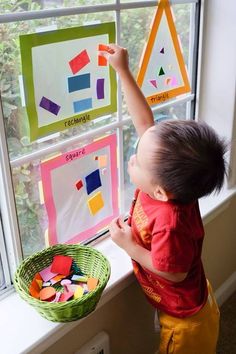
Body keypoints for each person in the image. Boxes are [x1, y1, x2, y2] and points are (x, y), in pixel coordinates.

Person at [99, 44, 227, 354]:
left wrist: (129, 245)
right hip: (190, 299)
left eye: (137, 162)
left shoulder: (170, 221)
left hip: (184, 321)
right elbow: (145, 125)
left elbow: (174, 271)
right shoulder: (172, 182)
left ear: (160, 192)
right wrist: (123, 71)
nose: (132, 159)